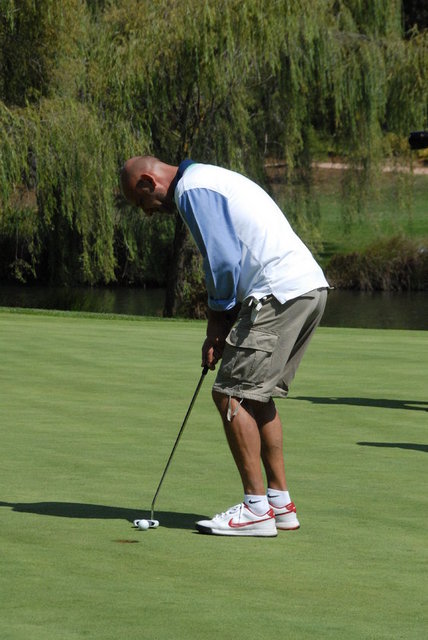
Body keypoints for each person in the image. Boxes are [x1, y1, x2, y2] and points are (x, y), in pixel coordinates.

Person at [120, 156, 329, 537]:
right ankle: (280, 505)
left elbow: (223, 261)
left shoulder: (192, 189)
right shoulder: (207, 179)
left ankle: (256, 511)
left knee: (230, 394)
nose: (147, 212)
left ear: (149, 182)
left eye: (141, 202)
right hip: (307, 288)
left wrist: (217, 323)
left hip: (277, 291)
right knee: (256, 398)